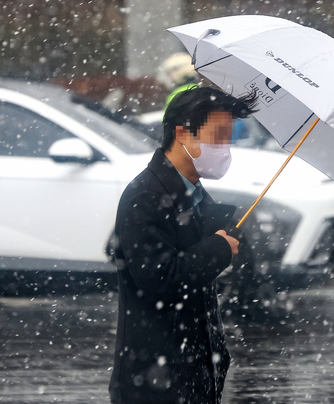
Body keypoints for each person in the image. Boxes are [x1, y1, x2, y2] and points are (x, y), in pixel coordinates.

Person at [108, 86, 258, 404]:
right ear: (183, 134)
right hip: (155, 383)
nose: (225, 147)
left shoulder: (193, 192)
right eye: (218, 135)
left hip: (191, 376)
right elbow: (161, 279)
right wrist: (217, 249)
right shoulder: (145, 196)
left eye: (229, 137)